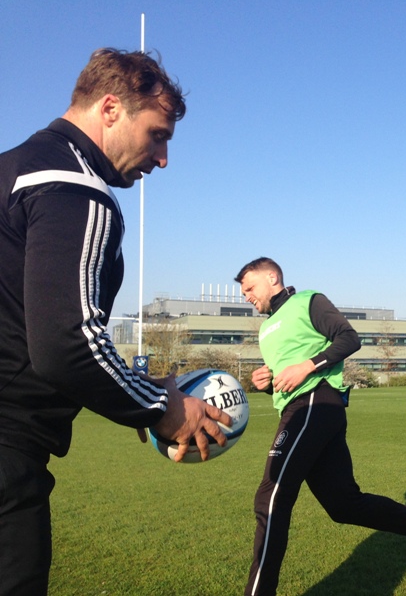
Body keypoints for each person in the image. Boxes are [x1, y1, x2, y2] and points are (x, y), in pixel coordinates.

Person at [0, 48, 232, 596]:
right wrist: (161, 408)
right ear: (110, 109)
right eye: (158, 135)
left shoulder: (12, 167)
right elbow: (65, 344)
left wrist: (133, 387)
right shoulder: (75, 187)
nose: (163, 158)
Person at [234, 257, 406, 596]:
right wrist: (267, 382)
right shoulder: (267, 329)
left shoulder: (307, 301)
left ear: (272, 277)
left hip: (316, 402)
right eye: (243, 293)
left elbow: (349, 338)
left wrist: (306, 367)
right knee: (343, 504)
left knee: (271, 497)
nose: (247, 296)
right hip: (302, 409)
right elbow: (286, 377)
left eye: (250, 288)